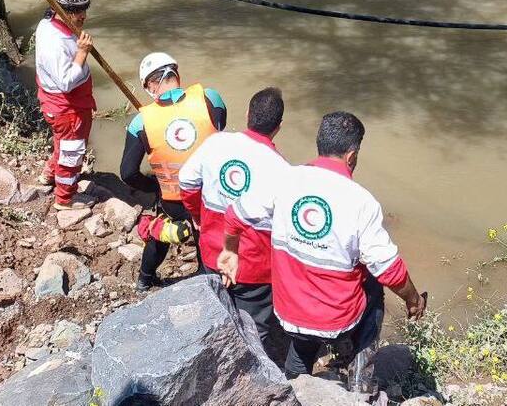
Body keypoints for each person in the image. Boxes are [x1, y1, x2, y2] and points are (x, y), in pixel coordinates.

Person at [220, 111, 426, 379]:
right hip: (336, 322)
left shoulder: (284, 179)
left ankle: (296, 381)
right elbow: (391, 270)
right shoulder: (361, 201)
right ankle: (361, 373)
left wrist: (230, 251)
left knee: (303, 342)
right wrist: (413, 300)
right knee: (375, 286)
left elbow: (234, 214)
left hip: (286, 315)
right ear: (351, 156)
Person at [178, 87, 290, 361]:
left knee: (213, 311)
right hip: (254, 268)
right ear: (278, 127)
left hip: (211, 252)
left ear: (248, 114)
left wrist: (197, 217)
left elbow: (186, 182)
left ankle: (206, 361)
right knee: (255, 331)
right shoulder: (282, 170)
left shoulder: (216, 144)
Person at [120, 52, 227, 291]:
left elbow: (127, 173)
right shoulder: (211, 98)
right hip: (210, 194)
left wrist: (155, 186)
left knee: (162, 229)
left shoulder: (141, 122)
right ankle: (206, 279)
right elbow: (219, 133)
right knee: (206, 233)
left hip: (173, 199)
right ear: (176, 74)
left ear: (149, 86)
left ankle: (144, 279)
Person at [34, 0, 96, 211]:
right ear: (63, 12)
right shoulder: (55, 43)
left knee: (62, 143)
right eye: (78, 13)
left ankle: (49, 175)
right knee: (72, 151)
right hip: (67, 109)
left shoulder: (46, 24)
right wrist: (81, 53)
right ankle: (65, 199)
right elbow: (66, 82)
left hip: (59, 106)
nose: (83, 17)